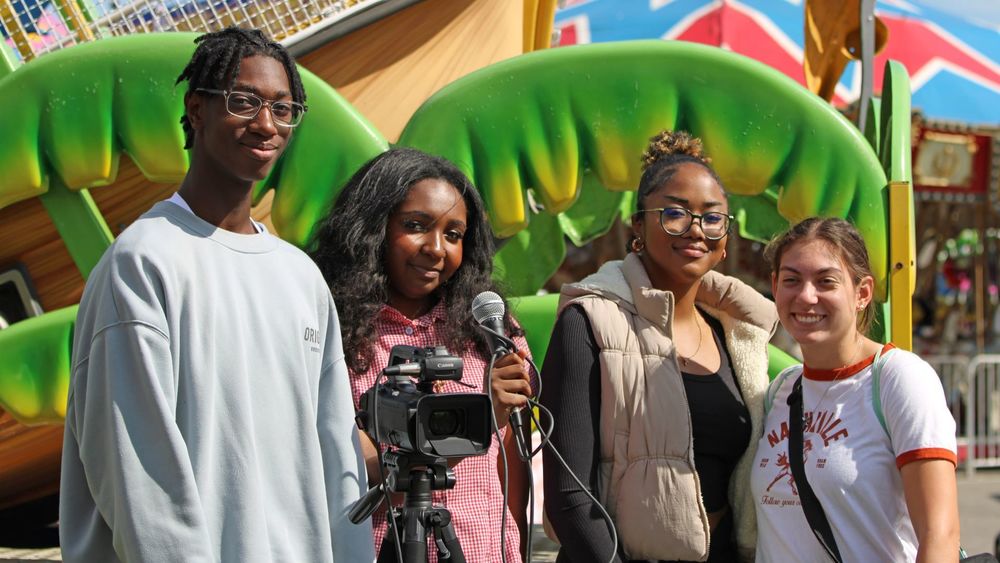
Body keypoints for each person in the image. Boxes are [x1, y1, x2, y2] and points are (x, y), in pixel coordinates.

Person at [59, 27, 374, 562]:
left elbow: (336, 454)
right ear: (196, 110)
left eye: (283, 108)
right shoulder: (142, 263)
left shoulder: (300, 276)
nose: (266, 124)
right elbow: (140, 477)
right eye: (244, 101)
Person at [541, 130, 778, 562]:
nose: (696, 229)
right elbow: (570, 497)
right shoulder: (589, 320)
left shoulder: (736, 334)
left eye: (712, 217)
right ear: (638, 225)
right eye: (674, 213)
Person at [310, 147, 536, 562]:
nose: (436, 248)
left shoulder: (488, 328)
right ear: (373, 227)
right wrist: (480, 417)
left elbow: (512, 473)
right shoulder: (328, 328)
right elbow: (343, 466)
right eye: (416, 226)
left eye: (454, 235)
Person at [751, 217, 960, 562]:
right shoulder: (781, 390)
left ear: (862, 293)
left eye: (826, 281)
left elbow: (940, 534)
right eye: (791, 280)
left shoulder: (898, 379)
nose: (806, 296)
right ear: (775, 287)